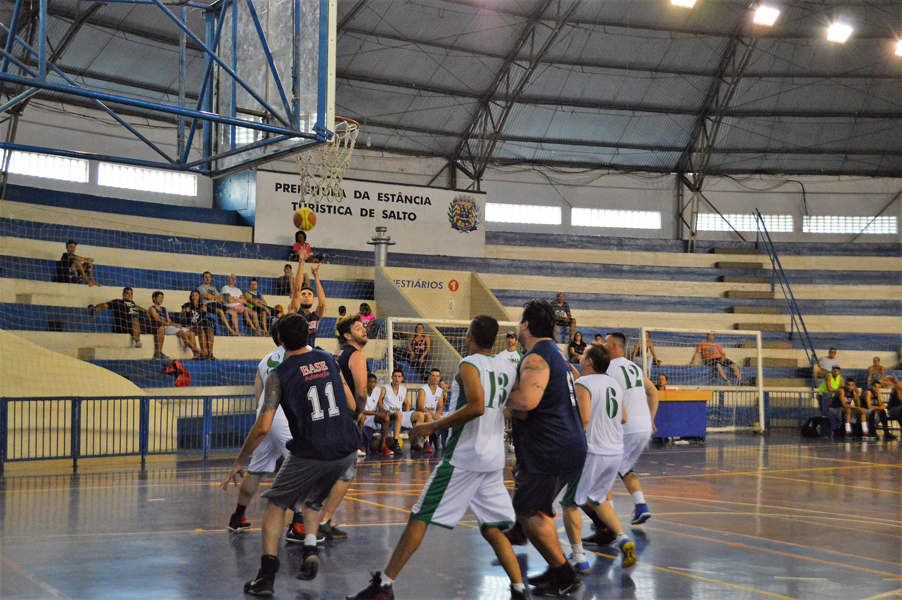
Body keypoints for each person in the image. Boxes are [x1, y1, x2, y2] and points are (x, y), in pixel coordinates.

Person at [347, 315, 527, 600]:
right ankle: (519, 590)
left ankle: (384, 587)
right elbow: (515, 407)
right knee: (493, 529)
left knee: (419, 516)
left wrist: (431, 426)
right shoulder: (508, 367)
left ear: (470, 336)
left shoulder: (469, 364)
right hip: (493, 459)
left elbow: (477, 406)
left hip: (464, 458)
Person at [222, 313, 363, 596]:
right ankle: (310, 546)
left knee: (275, 504)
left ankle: (266, 577)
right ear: (308, 335)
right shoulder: (327, 359)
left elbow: (262, 427)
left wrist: (239, 460)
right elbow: (350, 403)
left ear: (280, 340)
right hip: (348, 446)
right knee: (312, 498)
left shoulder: (279, 374)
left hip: (313, 448)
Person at [504, 299, 587, 597]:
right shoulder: (559, 357)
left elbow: (526, 402)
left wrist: (500, 396)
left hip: (551, 448)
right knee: (538, 509)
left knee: (527, 511)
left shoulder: (536, 357)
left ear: (525, 325)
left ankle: (565, 574)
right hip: (566, 444)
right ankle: (556, 571)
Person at [560, 343, 637, 574]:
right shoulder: (613, 383)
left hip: (593, 451)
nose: (581, 358)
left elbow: (583, 419)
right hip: (615, 451)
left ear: (590, 361)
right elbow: (623, 417)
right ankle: (623, 539)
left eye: (583, 355)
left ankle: (579, 557)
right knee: (597, 498)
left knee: (570, 503)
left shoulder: (583, 383)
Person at [320, 315, 372, 540]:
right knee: (346, 473)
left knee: (325, 471)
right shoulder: (357, 355)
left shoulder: (338, 354)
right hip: (344, 418)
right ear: (347, 336)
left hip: (327, 417)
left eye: (363, 327)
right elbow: (361, 391)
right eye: (358, 328)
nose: (364, 330)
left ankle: (306, 520)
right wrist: (360, 411)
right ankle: (323, 521)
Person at [602, 332, 658, 527]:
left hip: (625, 425)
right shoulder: (634, 367)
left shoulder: (608, 368)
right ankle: (641, 505)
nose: (602, 345)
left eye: (606, 343)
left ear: (615, 346)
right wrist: (651, 420)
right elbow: (652, 391)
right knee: (624, 467)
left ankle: (607, 520)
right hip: (643, 427)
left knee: (606, 468)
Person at [382, 368, 429, 454]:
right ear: (392, 377)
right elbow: (379, 401)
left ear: (402, 378)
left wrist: (407, 414)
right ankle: (396, 443)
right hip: (389, 414)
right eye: (395, 376)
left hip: (399, 414)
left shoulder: (403, 389)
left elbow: (407, 404)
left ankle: (414, 442)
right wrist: (382, 410)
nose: (397, 378)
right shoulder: (385, 388)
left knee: (420, 415)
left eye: (399, 376)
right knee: (399, 414)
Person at [147, 291, 201, 359]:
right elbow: (159, 321)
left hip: (168, 327)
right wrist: (173, 325)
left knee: (191, 333)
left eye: (162, 298)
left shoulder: (164, 309)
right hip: (160, 328)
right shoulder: (152, 309)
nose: (161, 299)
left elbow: (169, 320)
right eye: (159, 297)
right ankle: (196, 349)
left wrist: (175, 325)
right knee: (182, 332)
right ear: (154, 299)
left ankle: (195, 354)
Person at [293, 251, 326, 347]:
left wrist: (316, 277)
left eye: (309, 294)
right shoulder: (294, 311)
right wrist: (302, 262)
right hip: (295, 353)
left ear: (313, 300)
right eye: (303, 294)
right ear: (299, 299)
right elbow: (297, 289)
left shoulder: (315, 316)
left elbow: (322, 304)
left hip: (310, 352)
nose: (306, 296)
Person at [361, 373, 393, 455]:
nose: (372, 384)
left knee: (386, 418)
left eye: (374, 382)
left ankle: (383, 445)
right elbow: (361, 410)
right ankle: (360, 446)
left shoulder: (378, 391)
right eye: (369, 382)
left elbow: (380, 407)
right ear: (365, 382)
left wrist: (385, 411)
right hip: (362, 416)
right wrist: (377, 413)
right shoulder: (361, 391)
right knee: (362, 417)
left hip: (372, 416)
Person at [415, 368, 445, 453]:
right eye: (433, 376)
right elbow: (420, 406)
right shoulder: (423, 389)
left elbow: (441, 407)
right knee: (428, 416)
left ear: (439, 378)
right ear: (429, 377)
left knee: (447, 417)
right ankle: (427, 442)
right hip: (422, 413)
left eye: (437, 376)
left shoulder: (440, 390)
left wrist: (438, 414)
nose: (435, 378)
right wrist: (432, 414)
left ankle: (442, 440)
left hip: (433, 414)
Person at [182, 290, 216, 360]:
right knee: (201, 331)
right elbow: (181, 319)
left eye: (196, 295)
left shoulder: (202, 306)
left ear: (199, 296)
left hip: (198, 325)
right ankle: (204, 352)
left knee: (210, 331)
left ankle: (210, 354)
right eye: (193, 295)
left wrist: (204, 311)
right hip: (189, 326)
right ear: (191, 297)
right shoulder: (187, 305)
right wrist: (184, 312)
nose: (195, 297)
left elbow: (202, 319)